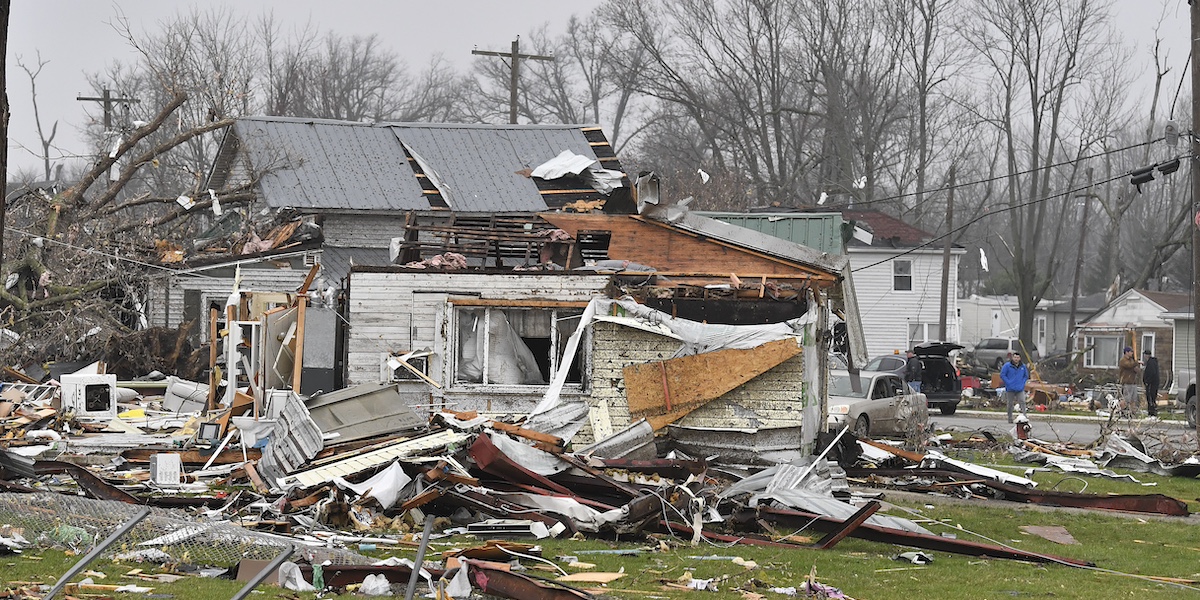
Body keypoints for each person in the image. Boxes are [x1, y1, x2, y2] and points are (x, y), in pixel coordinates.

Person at [1000, 352, 1030, 423]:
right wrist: (1008, 382)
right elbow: (1003, 375)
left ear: (1020, 358)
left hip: (1020, 388)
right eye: (1015, 357)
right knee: (1010, 403)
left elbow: (1026, 376)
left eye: (1017, 357)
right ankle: (1010, 418)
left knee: (1022, 401)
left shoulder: (1023, 366)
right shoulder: (1007, 366)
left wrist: (1022, 383)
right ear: (1012, 358)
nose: (1016, 359)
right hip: (1010, 388)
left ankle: (1024, 417)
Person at [1117, 346, 1140, 415]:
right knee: (1126, 399)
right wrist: (1137, 362)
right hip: (1126, 382)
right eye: (1131, 352)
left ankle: (1133, 412)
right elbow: (1129, 365)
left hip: (1133, 382)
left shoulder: (1131, 360)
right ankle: (1122, 412)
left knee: (1133, 399)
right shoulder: (1123, 360)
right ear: (1126, 352)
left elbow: (1133, 367)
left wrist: (1137, 369)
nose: (1132, 353)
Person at [1142, 349, 1160, 417]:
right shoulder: (1152, 362)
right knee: (1152, 398)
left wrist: (1147, 381)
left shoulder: (1151, 363)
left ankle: (1152, 413)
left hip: (1151, 384)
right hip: (1153, 383)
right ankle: (1152, 412)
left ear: (1146, 355)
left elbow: (1151, 373)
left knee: (1150, 398)